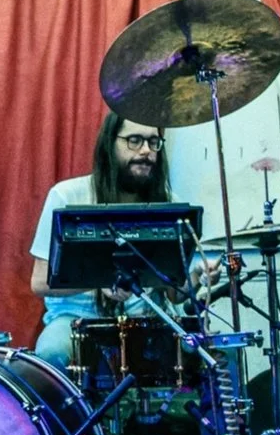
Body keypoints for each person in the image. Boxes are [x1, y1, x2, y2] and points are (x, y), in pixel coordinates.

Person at [29, 112, 191, 369]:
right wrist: (100, 281)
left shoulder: (169, 203)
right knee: (50, 354)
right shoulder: (67, 196)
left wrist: (198, 280)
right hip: (75, 319)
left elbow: (173, 292)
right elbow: (39, 282)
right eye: (134, 140)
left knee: (214, 358)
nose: (146, 151)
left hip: (145, 320)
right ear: (109, 144)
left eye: (153, 142)